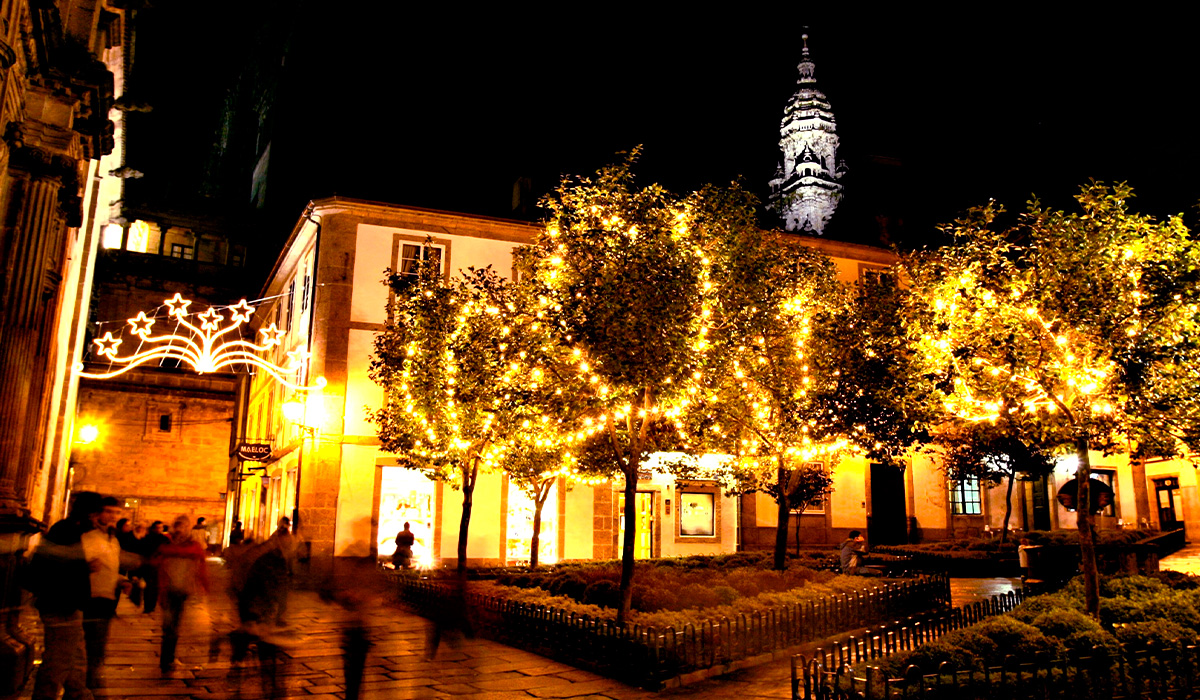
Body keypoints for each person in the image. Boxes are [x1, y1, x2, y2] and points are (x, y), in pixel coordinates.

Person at [24, 491, 101, 700]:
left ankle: (78, 694)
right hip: (60, 604)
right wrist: (85, 567)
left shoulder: (69, 530)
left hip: (68, 604)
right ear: (89, 513)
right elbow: (57, 568)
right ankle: (44, 696)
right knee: (58, 659)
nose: (98, 520)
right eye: (97, 515)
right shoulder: (67, 531)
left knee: (76, 655)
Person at [81, 496, 133, 689]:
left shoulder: (113, 539)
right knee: (87, 647)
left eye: (117, 512)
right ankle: (85, 686)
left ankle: (90, 684)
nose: (113, 516)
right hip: (88, 598)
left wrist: (122, 580)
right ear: (98, 513)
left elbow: (109, 568)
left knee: (98, 646)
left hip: (107, 599)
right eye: (109, 511)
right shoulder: (87, 535)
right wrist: (84, 568)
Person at [155, 515, 209, 675]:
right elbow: (157, 565)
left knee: (172, 626)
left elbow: (201, 567)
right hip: (169, 590)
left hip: (182, 590)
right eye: (179, 526)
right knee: (170, 627)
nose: (181, 530)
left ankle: (168, 659)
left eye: (185, 526)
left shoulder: (190, 546)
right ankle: (167, 660)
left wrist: (203, 586)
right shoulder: (168, 545)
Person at [138, 521, 169, 614]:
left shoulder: (164, 539)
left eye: (161, 527)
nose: (159, 529)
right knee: (149, 586)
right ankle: (148, 606)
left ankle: (152, 606)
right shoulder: (147, 538)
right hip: (149, 565)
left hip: (160, 565)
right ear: (153, 528)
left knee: (156, 586)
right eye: (157, 527)